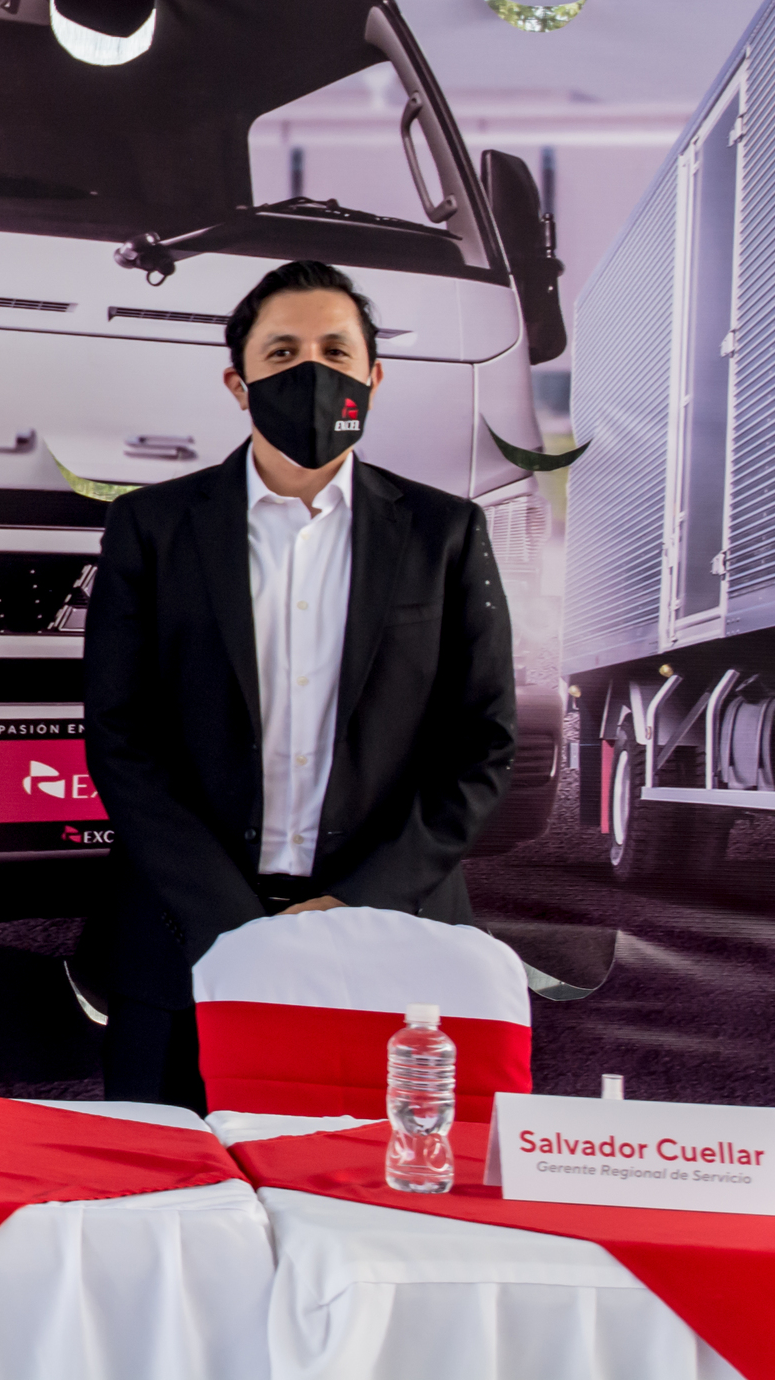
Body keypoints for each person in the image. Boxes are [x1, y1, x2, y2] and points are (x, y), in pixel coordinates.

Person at [82, 258, 518, 1108]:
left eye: (334, 351)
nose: (310, 373)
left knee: (368, 1214)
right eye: (281, 354)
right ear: (238, 384)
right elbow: (122, 739)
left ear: (373, 377)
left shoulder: (445, 534)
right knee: (169, 1203)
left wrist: (355, 908)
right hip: (182, 942)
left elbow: (481, 743)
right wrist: (236, 928)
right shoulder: (152, 528)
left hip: (393, 947)